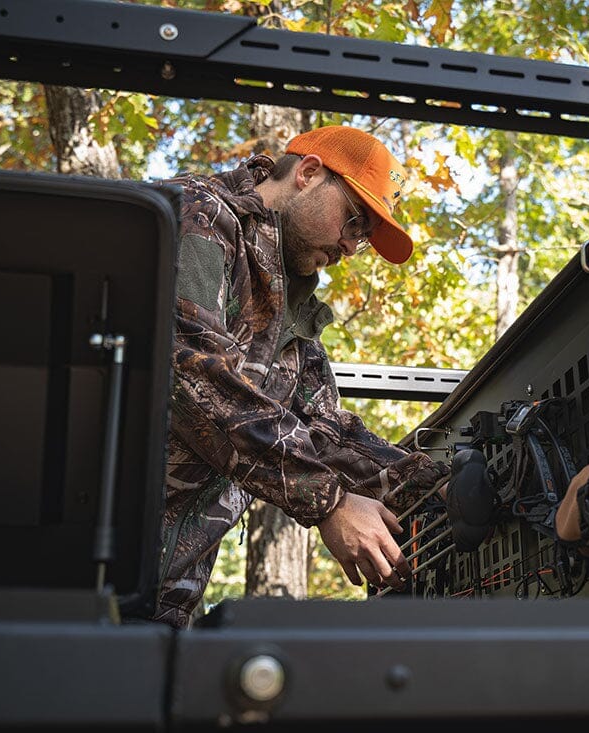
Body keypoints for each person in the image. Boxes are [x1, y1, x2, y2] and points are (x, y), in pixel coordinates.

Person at [152, 125, 449, 628]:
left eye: (364, 237)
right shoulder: (199, 214)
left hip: (160, 599)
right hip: (72, 570)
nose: (352, 247)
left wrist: (436, 487)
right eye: (355, 223)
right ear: (309, 174)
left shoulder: (291, 307)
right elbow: (186, 375)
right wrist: (329, 504)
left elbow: (326, 432)